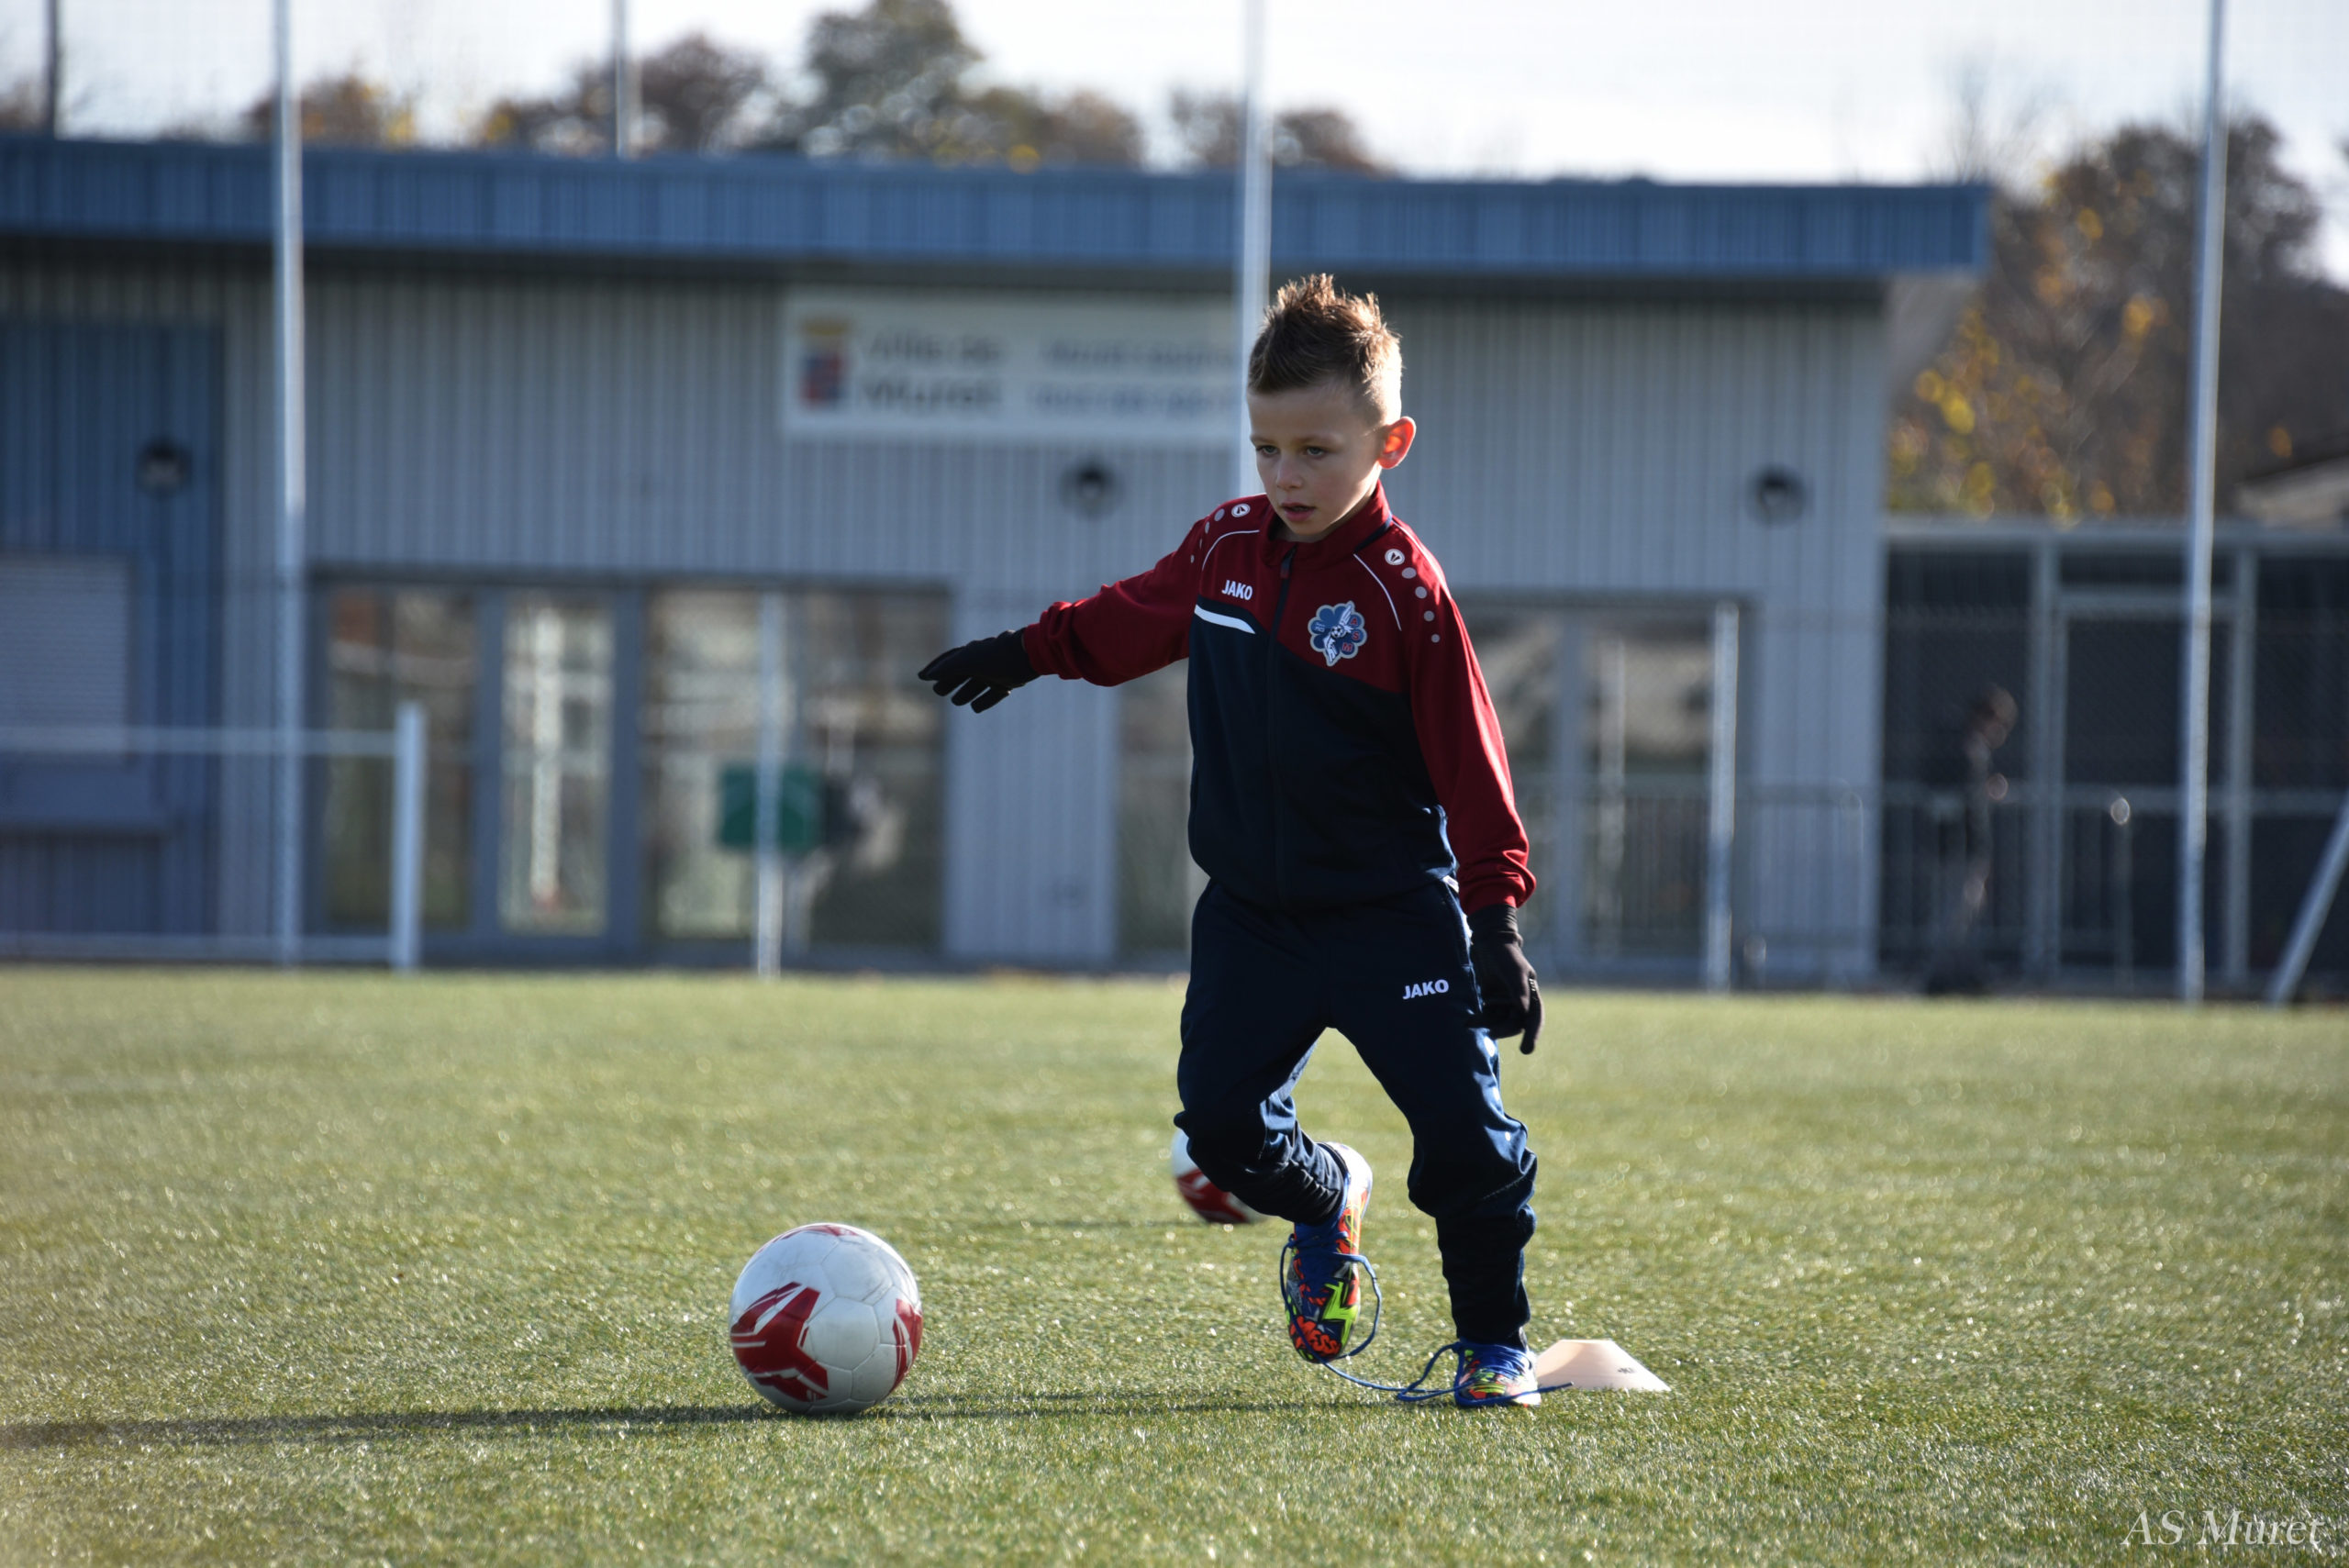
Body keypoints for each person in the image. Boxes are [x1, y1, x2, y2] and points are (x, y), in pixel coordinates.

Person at [918, 275, 1546, 1408]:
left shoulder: (1405, 593)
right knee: (1219, 1128)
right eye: (1266, 448)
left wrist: (1493, 919)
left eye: (1315, 449)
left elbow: (1472, 760)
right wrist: (1024, 651)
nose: (1284, 475)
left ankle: (1494, 1346)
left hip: (1393, 915)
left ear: (1389, 444)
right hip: (1253, 917)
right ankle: (1325, 1197)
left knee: (1465, 1131)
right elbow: (1130, 616)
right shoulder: (1226, 547)